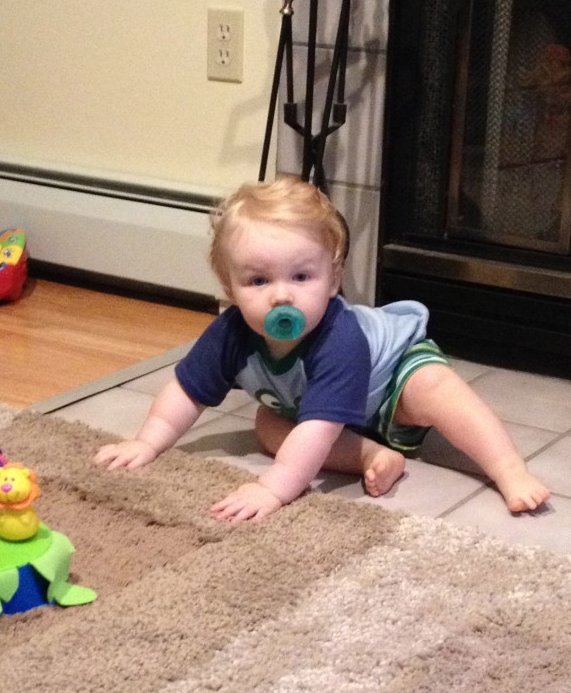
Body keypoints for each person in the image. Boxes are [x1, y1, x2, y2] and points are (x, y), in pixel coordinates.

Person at [94, 176, 550, 522]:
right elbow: (185, 392)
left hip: (391, 384)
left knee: (435, 387)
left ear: (333, 279)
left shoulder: (339, 338)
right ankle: (372, 454)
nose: (281, 296)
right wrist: (147, 442)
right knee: (269, 425)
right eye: (257, 280)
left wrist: (274, 489)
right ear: (229, 286)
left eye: (301, 277)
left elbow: (318, 428)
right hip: (326, 411)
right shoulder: (231, 333)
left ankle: (507, 468)